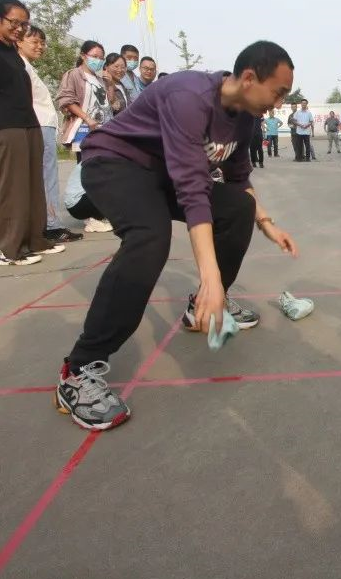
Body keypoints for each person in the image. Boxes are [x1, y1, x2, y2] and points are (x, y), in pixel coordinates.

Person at [54, 41, 298, 430]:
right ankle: (78, 370)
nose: (279, 103)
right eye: (279, 92)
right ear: (250, 78)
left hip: (161, 174)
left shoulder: (245, 117)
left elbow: (238, 179)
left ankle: (200, 304)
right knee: (150, 236)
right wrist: (210, 277)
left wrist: (267, 223)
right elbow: (192, 191)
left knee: (238, 207)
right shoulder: (190, 96)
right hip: (115, 162)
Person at [0, 0, 62, 265]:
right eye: (14, 23)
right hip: (7, 126)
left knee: (33, 187)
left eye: (24, 25)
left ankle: (34, 239)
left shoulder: (12, 52)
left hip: (28, 123)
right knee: (12, 188)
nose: (19, 29)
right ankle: (8, 247)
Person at [18, 25, 83, 243]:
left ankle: (46, 225)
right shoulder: (20, 67)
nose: (40, 46)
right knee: (47, 179)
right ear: (19, 41)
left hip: (42, 127)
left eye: (43, 43)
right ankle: (51, 225)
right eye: (35, 42)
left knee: (45, 178)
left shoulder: (27, 67)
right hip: (38, 127)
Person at [57, 40, 109, 161]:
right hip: (84, 128)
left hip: (101, 128)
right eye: (94, 56)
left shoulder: (100, 80)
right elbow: (67, 100)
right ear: (83, 56)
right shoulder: (74, 74)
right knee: (85, 163)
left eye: (101, 58)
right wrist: (87, 118)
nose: (98, 60)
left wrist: (110, 84)